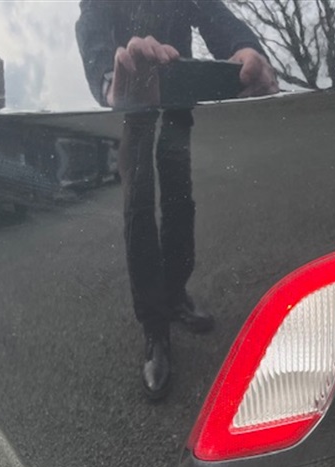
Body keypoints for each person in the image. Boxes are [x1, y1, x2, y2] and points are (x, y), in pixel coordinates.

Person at [75, 0, 278, 399]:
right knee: (138, 209)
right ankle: (155, 328)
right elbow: (91, 23)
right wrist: (107, 81)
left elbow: (214, 14)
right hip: (133, 101)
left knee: (180, 200)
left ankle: (175, 295)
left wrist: (245, 48)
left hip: (178, 102)